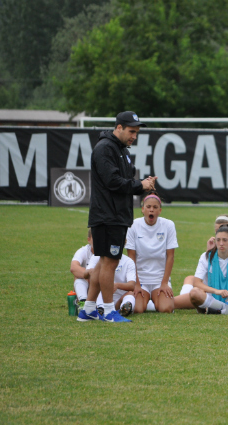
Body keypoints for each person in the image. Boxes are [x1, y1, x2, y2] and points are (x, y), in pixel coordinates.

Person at [78, 111, 156, 323]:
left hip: (115, 214)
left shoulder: (121, 149)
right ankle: (108, 311)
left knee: (103, 263)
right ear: (119, 127)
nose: (134, 136)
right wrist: (140, 185)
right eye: (131, 131)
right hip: (108, 215)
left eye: (137, 132)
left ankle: (88, 310)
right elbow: (113, 181)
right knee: (110, 263)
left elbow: (124, 182)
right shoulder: (105, 148)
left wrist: (142, 185)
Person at [119, 194, 177, 315]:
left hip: (159, 279)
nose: (152, 209)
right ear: (143, 209)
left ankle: (154, 300)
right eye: (148, 206)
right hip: (141, 279)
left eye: (155, 207)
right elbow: (131, 257)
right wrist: (137, 284)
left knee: (166, 309)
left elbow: (170, 256)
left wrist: (164, 283)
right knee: (138, 309)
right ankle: (148, 300)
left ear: (160, 210)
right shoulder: (133, 225)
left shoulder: (169, 225)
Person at [70, 229, 94, 307]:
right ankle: (83, 303)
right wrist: (91, 276)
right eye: (95, 238)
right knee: (78, 276)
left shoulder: (107, 254)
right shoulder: (83, 251)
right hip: (88, 286)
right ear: (89, 240)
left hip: (101, 289)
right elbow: (73, 268)